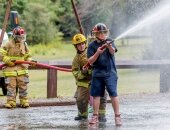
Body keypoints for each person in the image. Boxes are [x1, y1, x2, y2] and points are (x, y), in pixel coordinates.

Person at [87, 23, 122, 126]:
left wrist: (110, 46)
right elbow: (90, 61)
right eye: (101, 32)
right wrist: (97, 53)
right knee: (96, 95)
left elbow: (112, 52)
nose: (103, 34)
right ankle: (95, 116)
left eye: (104, 32)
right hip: (97, 74)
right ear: (96, 34)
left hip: (110, 73)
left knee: (113, 94)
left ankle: (117, 116)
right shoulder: (92, 46)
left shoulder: (110, 41)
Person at [72, 33, 107, 121]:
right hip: (84, 82)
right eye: (79, 44)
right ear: (76, 46)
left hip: (96, 78)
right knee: (80, 99)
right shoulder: (76, 59)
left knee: (102, 96)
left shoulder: (91, 50)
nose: (81, 46)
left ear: (85, 43)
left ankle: (101, 115)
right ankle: (82, 115)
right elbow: (75, 72)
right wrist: (83, 72)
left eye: (83, 43)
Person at [0, 26, 33, 109]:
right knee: (11, 88)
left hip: (22, 70)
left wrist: (30, 60)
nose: (21, 39)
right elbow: (1, 53)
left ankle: (24, 101)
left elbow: (28, 55)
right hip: (10, 71)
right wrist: (7, 60)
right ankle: (11, 102)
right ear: (14, 37)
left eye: (22, 37)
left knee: (23, 87)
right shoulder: (8, 43)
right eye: (19, 37)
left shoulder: (24, 44)